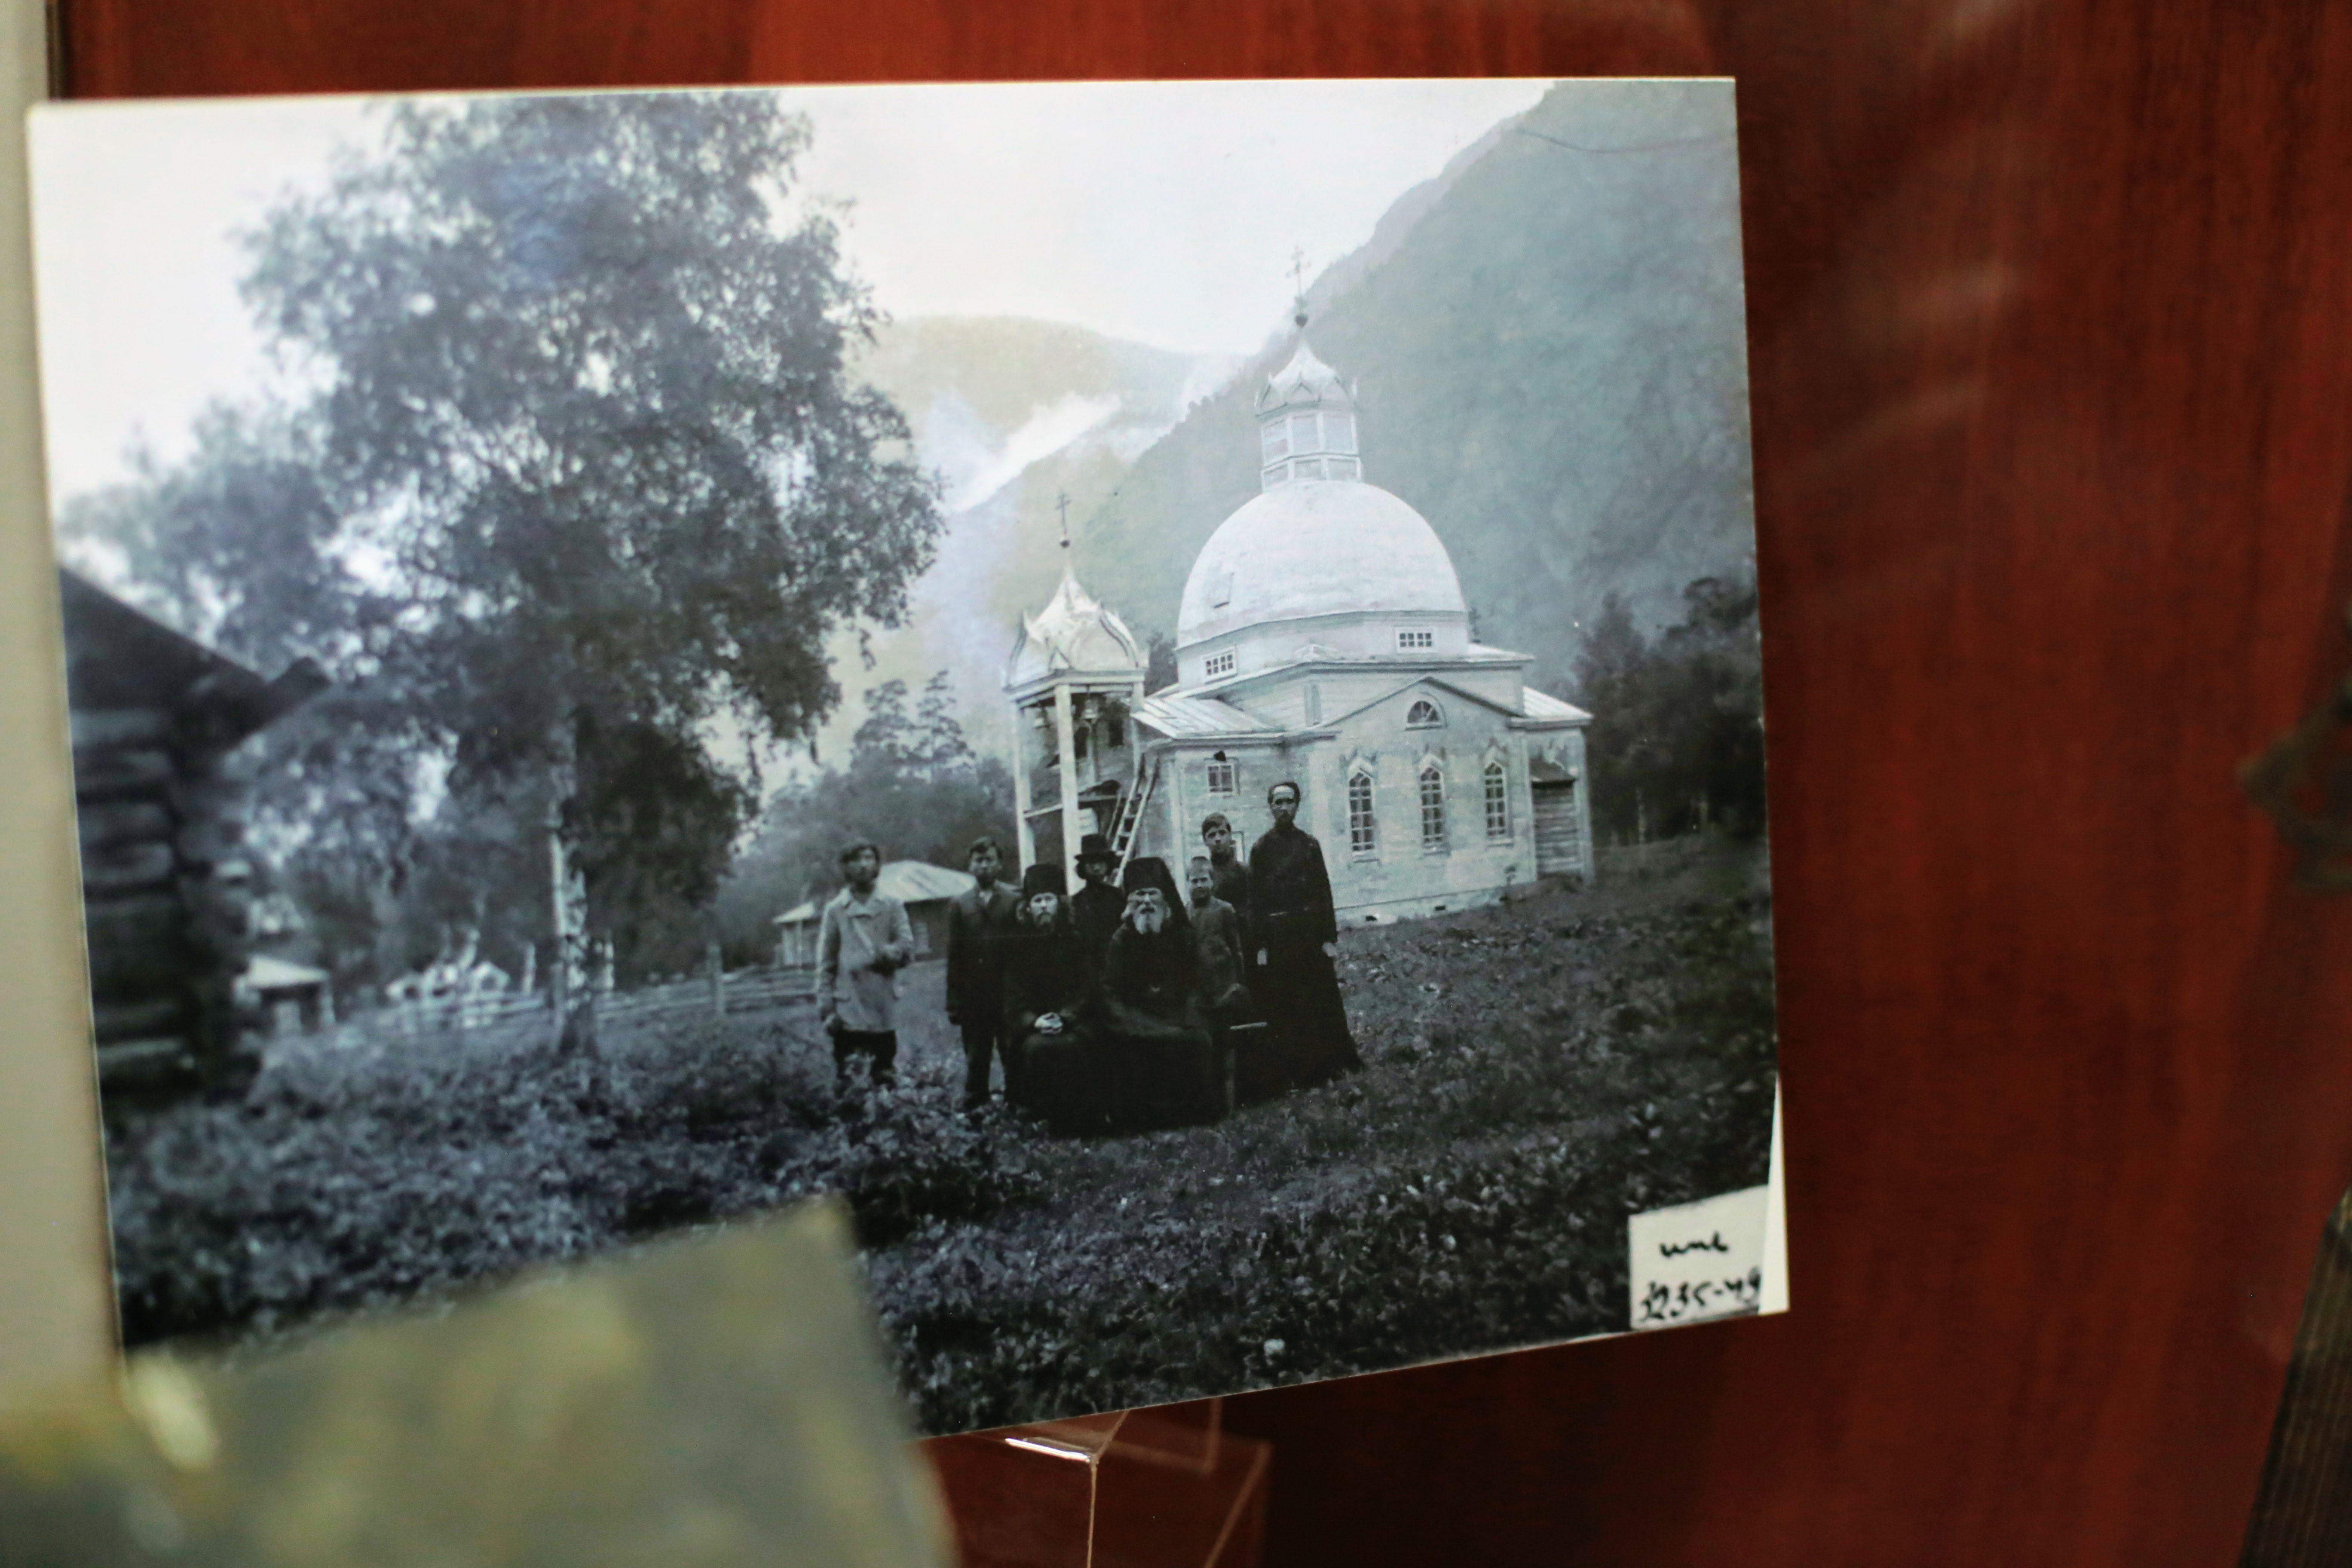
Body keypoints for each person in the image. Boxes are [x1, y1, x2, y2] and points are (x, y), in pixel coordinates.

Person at [1246, 781, 1364, 1091]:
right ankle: (1298, 1071)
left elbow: (1323, 892)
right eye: (1278, 802)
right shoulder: (1260, 850)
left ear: (1297, 806)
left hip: (1310, 936)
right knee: (1288, 1004)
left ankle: (1332, 1063)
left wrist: (1328, 938)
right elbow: (1256, 901)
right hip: (1279, 939)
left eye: (1289, 802)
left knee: (1320, 1000)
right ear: (1271, 807)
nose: (1283, 808)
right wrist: (1260, 945)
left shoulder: (1310, 846)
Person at [1098, 856, 1222, 1129]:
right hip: (1137, 1021)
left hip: (1178, 1017)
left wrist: (1188, 1017)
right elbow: (1109, 992)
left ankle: (1192, 1117)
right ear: (1129, 902)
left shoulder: (1183, 936)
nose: (1146, 902)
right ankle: (1141, 1120)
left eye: (1152, 894)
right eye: (1139, 895)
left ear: (1165, 899)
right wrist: (1133, 1023)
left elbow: (1202, 983)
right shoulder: (1121, 940)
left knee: (1197, 1041)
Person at [998, 864, 1098, 1131]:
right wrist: (1036, 1021)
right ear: (1028, 908)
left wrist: (1066, 1017)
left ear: (1060, 904)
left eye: (1049, 899)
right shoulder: (1018, 947)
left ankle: (1082, 1119)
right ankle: (1040, 1118)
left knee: (1079, 1045)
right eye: (1037, 900)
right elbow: (1013, 999)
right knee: (1036, 1048)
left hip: (1073, 1021)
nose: (1043, 906)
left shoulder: (1076, 941)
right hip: (1034, 1026)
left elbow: (1086, 989)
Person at [816, 841, 914, 1093]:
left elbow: (907, 949)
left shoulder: (892, 905)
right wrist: (827, 1008)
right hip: (848, 1011)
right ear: (846, 867)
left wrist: (889, 953)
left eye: (869, 858)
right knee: (850, 1083)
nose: (863, 865)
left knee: (884, 1079)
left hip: (882, 1008)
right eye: (856, 860)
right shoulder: (836, 910)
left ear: (877, 865)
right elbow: (826, 964)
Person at [945, 836, 1021, 1112]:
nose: (984, 866)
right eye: (979, 861)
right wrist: (954, 1000)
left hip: (1007, 992)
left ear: (1000, 864)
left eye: (990, 860)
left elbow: (1022, 951)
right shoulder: (960, 905)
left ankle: (1017, 1101)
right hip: (974, 995)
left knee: (1012, 1049)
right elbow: (955, 956)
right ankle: (977, 1104)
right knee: (977, 1053)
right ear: (970, 866)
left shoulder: (1014, 899)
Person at [1069, 832, 1127, 992]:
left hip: (1115, 971)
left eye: (1101, 862)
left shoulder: (1120, 898)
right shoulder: (1076, 902)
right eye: (1091, 863)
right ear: (1083, 867)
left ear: (1108, 864)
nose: (1096, 867)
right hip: (1086, 975)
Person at [1200, 812, 1252, 916]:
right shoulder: (1204, 877)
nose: (1218, 839)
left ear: (1230, 836)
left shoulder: (1246, 872)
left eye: (1222, 833)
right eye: (1212, 835)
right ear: (1205, 841)